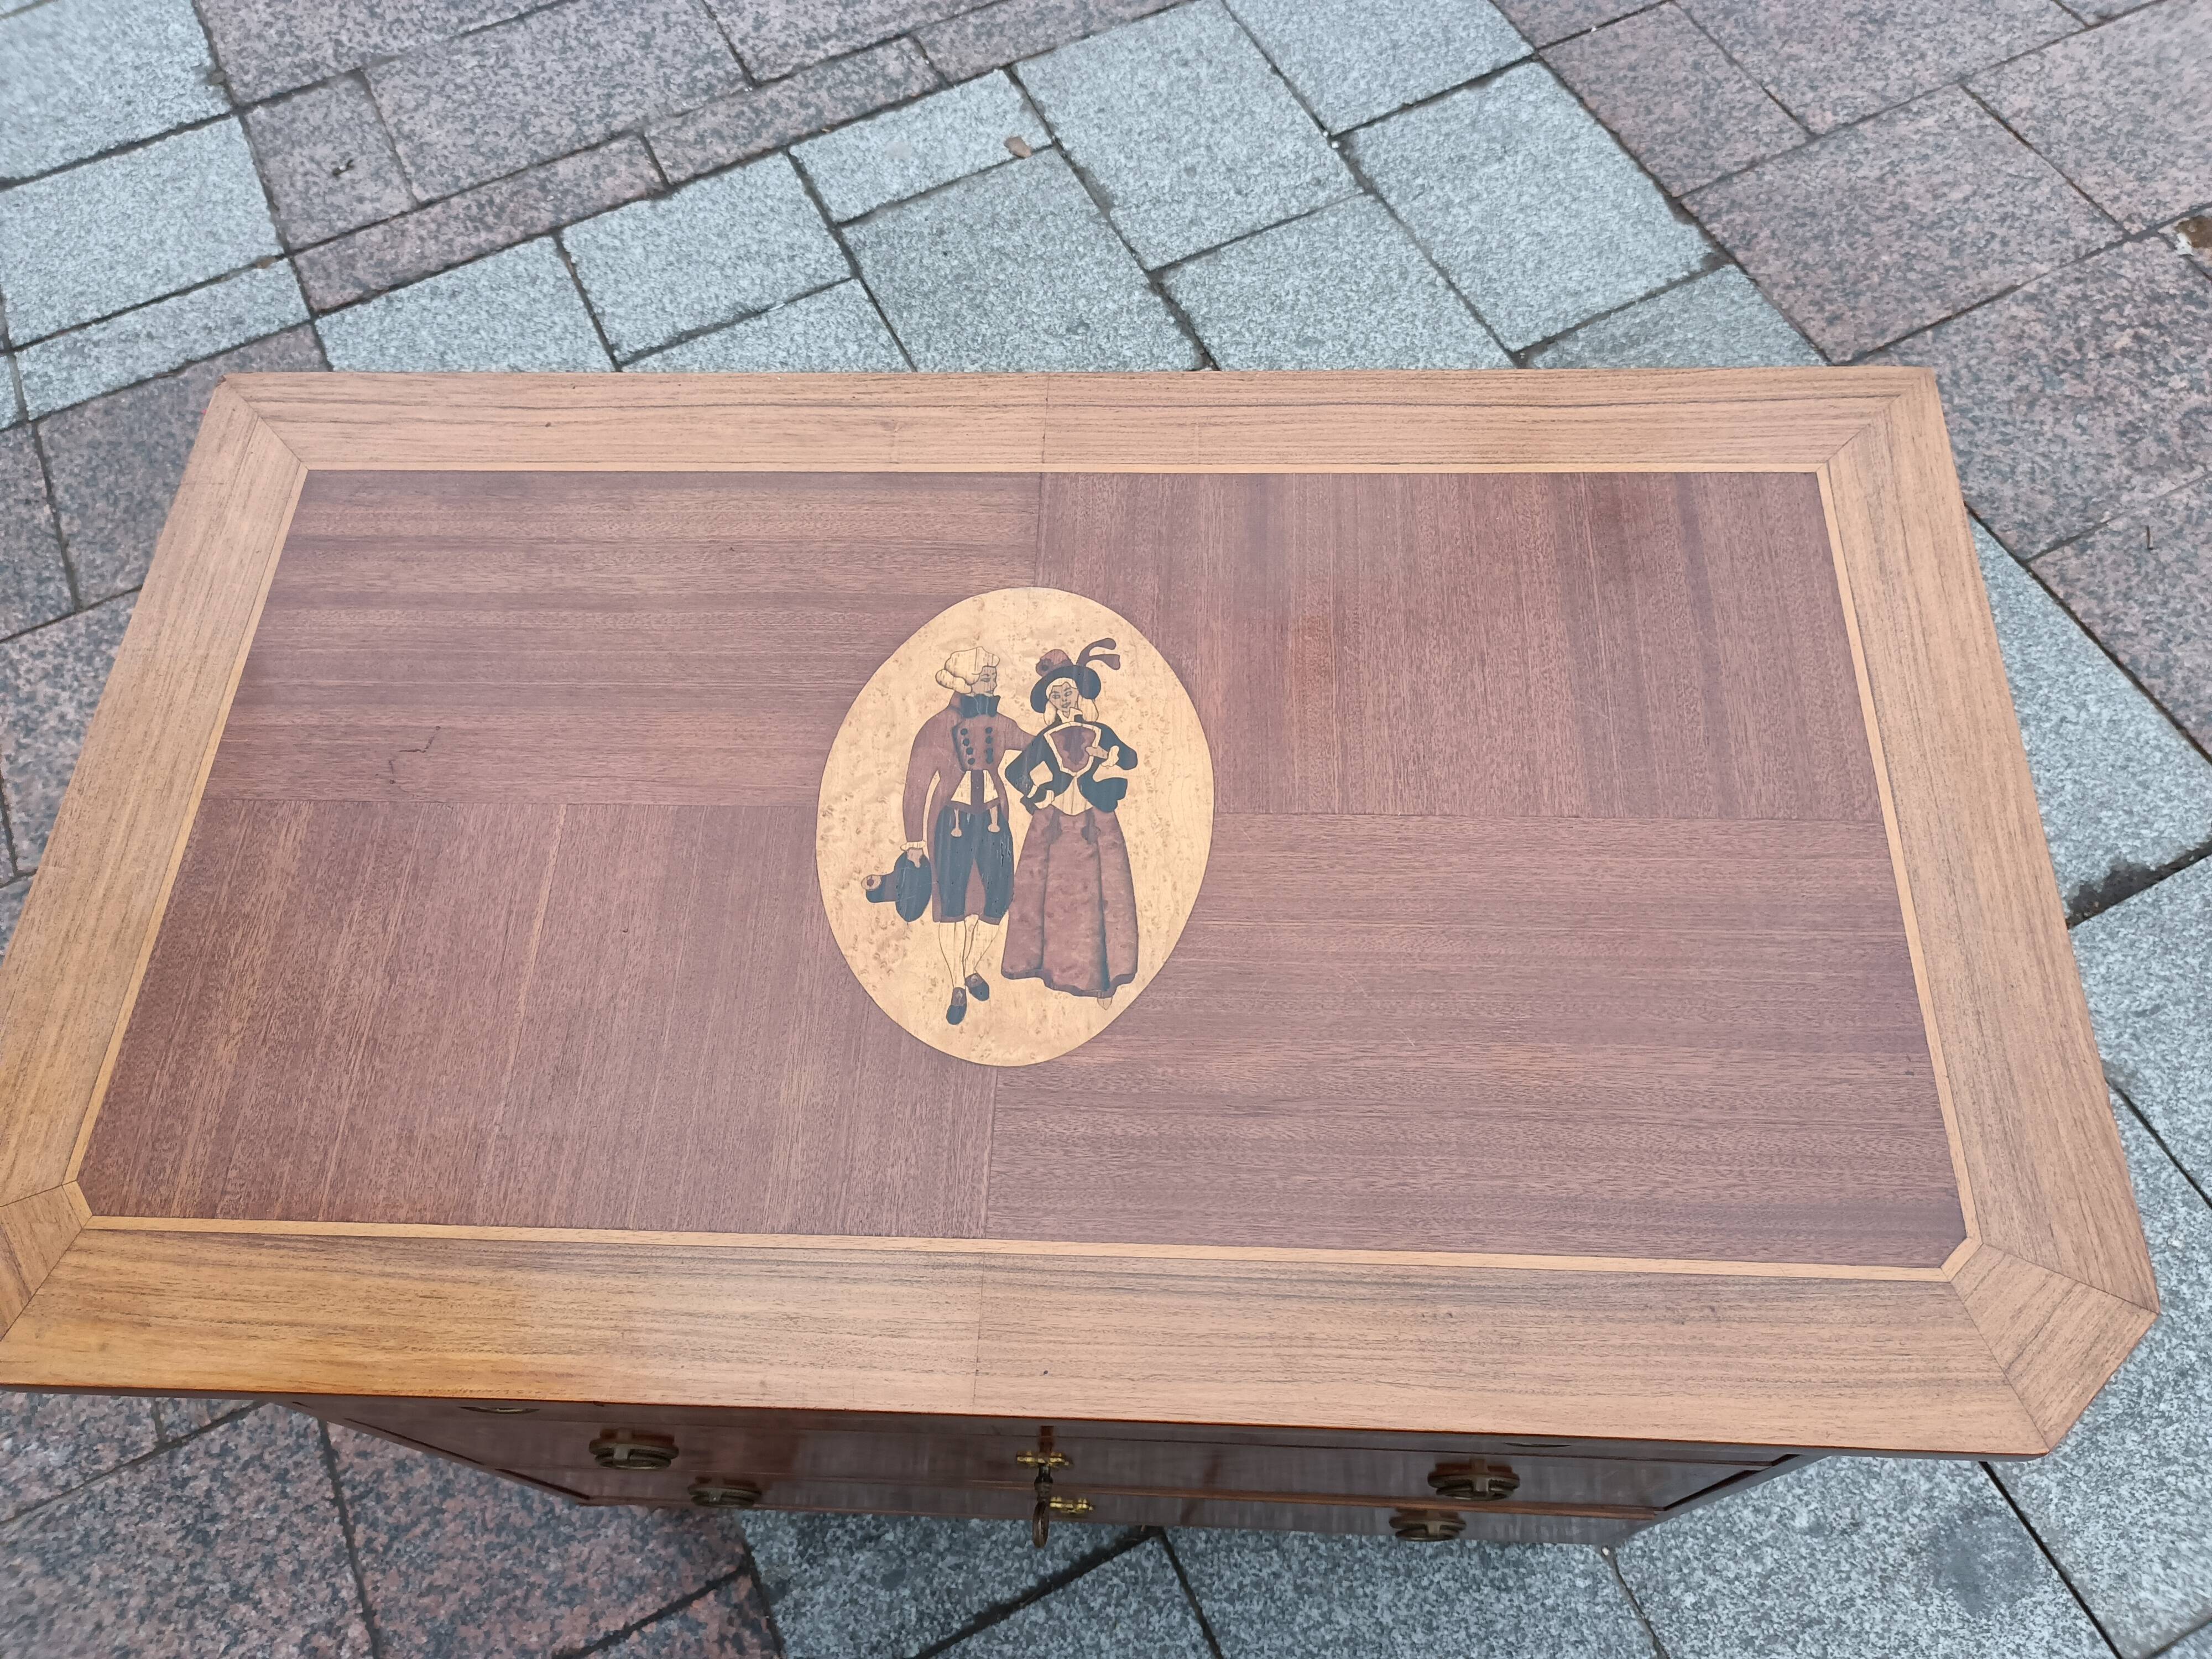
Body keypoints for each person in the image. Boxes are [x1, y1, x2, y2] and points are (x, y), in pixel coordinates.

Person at [1002, 640, 1140, 1004]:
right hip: (1056, 828)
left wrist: (1107, 755)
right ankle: (1048, 973)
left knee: (1101, 900)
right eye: (1057, 693)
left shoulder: (1100, 731)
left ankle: (1102, 982)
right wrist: (1040, 793)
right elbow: (1016, 772)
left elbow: (1130, 758)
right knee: (1052, 901)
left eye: (1069, 691)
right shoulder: (1045, 739)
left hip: (1097, 826)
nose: (1064, 697)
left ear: (1080, 695)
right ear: (1050, 701)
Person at [900, 647, 1032, 1026]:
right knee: (954, 906)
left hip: (993, 819)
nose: (994, 680)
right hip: (952, 824)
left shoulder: (1000, 722)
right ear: (967, 682)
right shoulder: (936, 726)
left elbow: (1033, 743)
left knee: (997, 900)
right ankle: (958, 983)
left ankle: (972, 966)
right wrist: (913, 844)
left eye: (993, 675)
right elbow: (916, 787)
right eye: (988, 675)